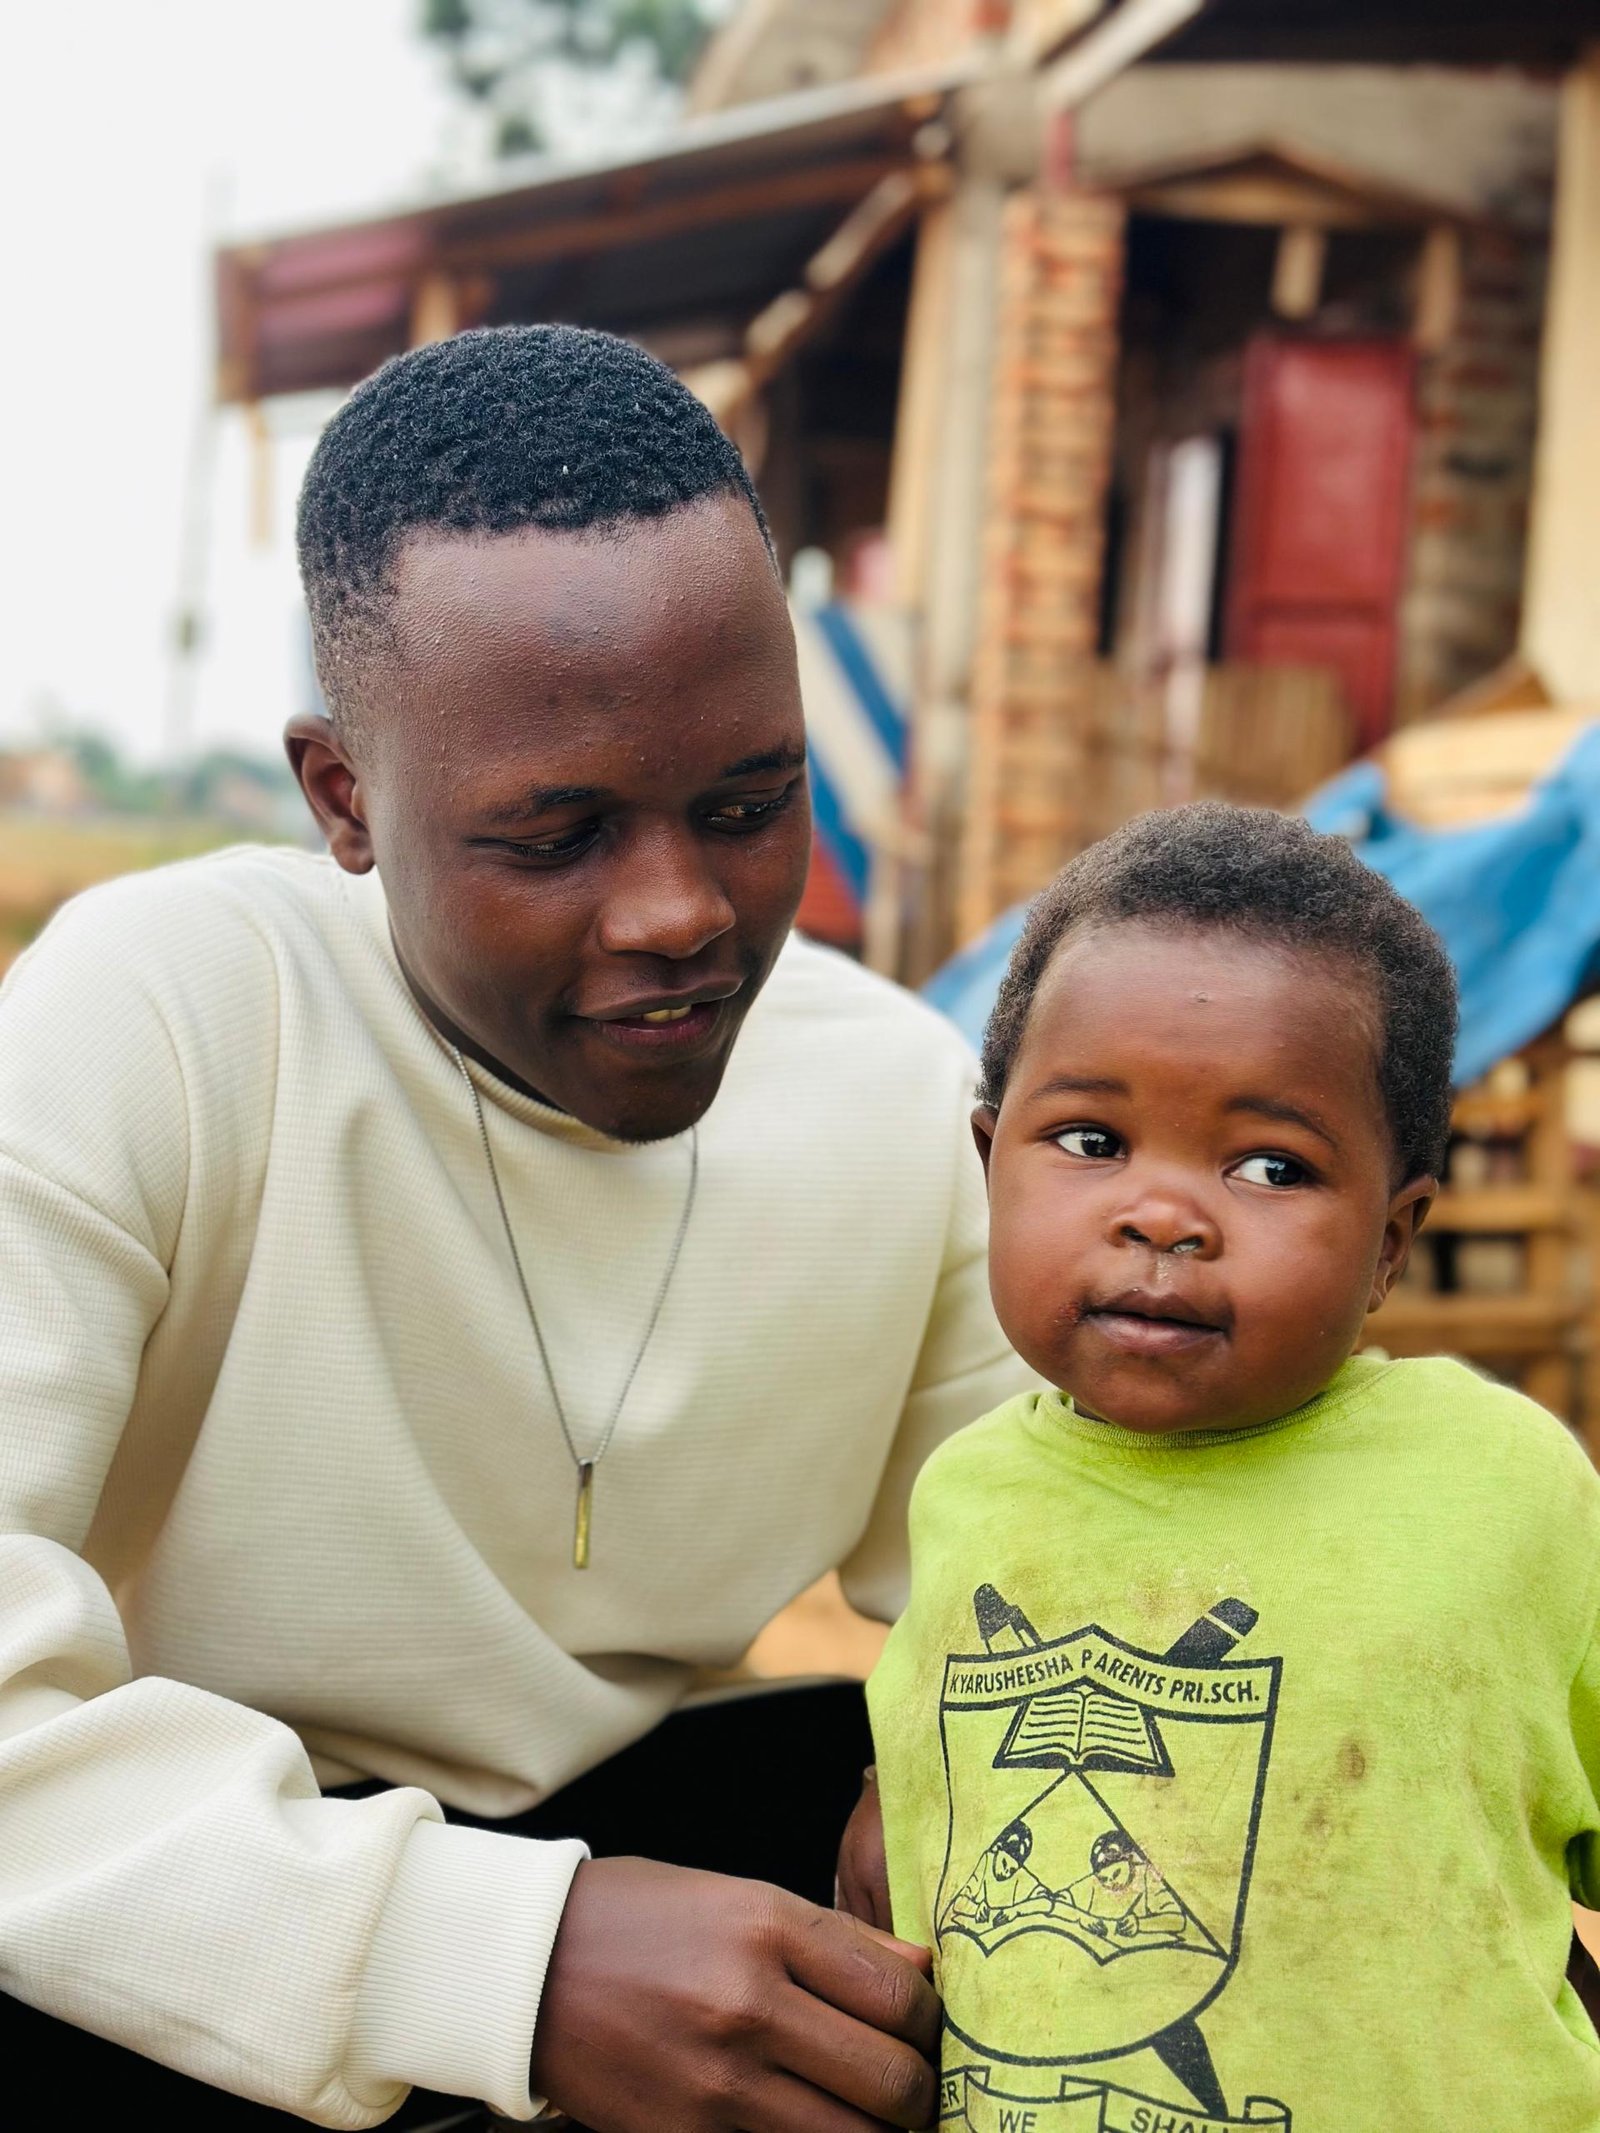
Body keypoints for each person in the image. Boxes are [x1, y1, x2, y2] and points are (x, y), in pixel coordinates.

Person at [0, 325, 1032, 2129]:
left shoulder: (896, 1097)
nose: (679, 912)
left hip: (644, 1891)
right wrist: (506, 1961)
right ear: (344, 798)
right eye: (558, 837)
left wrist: (965, 1757)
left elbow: (1069, 1565)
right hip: (210, 1935)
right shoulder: (163, 1016)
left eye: (750, 805)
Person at [867, 804, 1600, 2131]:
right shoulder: (964, 1494)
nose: (1162, 1215)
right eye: (1090, 1141)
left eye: (1271, 1166)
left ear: (1391, 1243)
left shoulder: (1506, 1488)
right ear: (990, 1163)